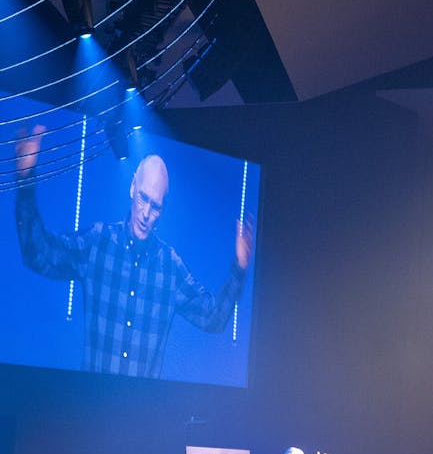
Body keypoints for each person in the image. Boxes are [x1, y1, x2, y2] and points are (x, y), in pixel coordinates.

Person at [13, 126, 253, 377]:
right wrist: (26, 180)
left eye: (156, 206)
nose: (147, 214)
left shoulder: (169, 267)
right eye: (143, 199)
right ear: (132, 189)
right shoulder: (99, 242)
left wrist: (239, 268)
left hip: (141, 411)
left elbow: (213, 319)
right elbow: (38, 254)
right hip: (89, 407)